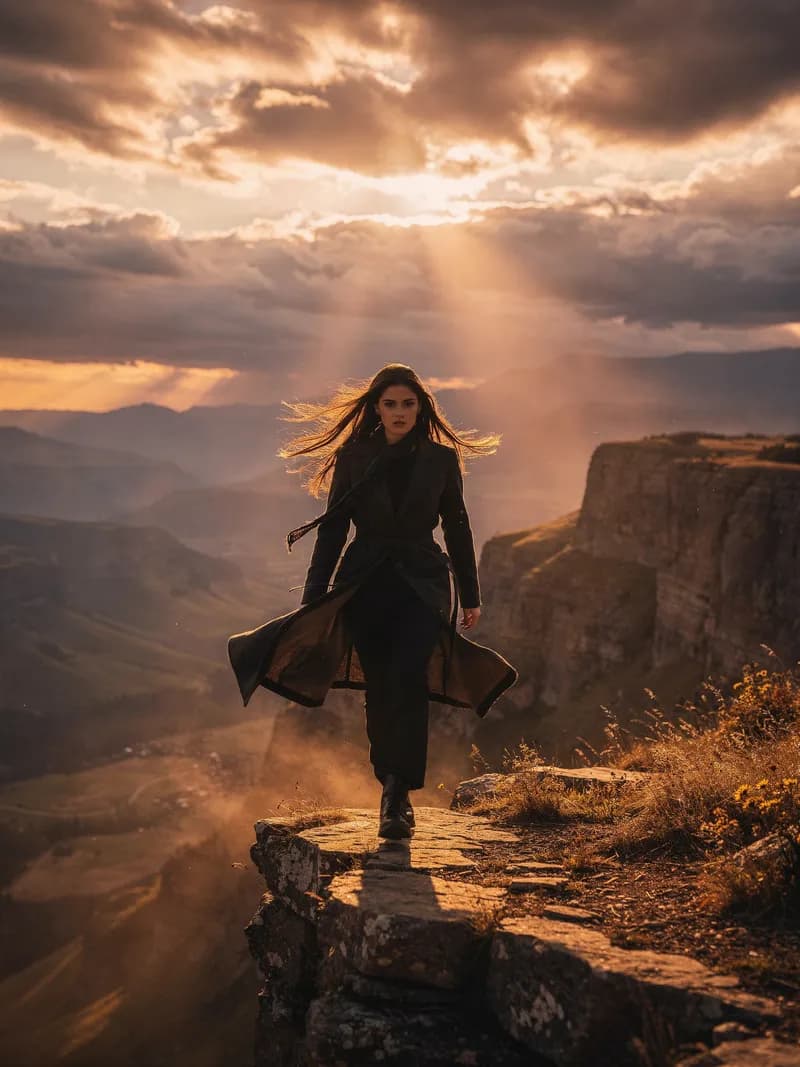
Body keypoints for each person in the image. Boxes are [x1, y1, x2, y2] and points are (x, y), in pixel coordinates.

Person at [227, 364, 518, 840]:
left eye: (408, 403)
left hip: (423, 583)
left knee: (409, 679)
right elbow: (333, 529)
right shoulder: (355, 456)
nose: (400, 412)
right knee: (381, 686)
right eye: (390, 404)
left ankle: (398, 793)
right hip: (365, 583)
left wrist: (470, 593)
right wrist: (313, 599)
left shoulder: (441, 461)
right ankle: (389, 786)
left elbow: (458, 527)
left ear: (420, 407)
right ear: (376, 408)